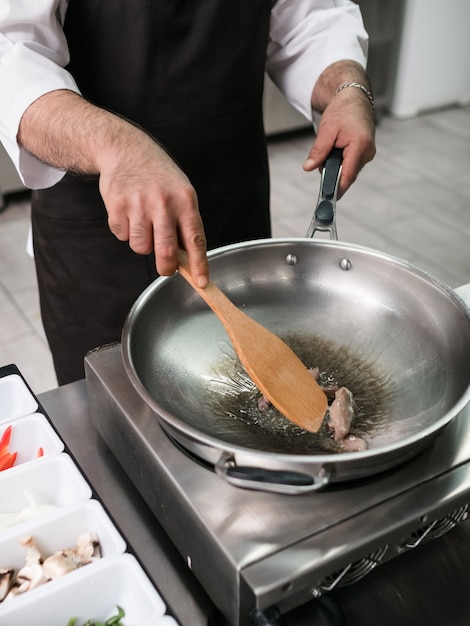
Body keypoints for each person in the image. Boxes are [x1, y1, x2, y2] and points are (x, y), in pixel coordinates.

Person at [0, 1, 376, 385]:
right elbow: (11, 54)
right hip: (98, 245)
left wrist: (347, 87)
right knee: (113, 421)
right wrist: (113, 145)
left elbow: (308, 17)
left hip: (233, 210)